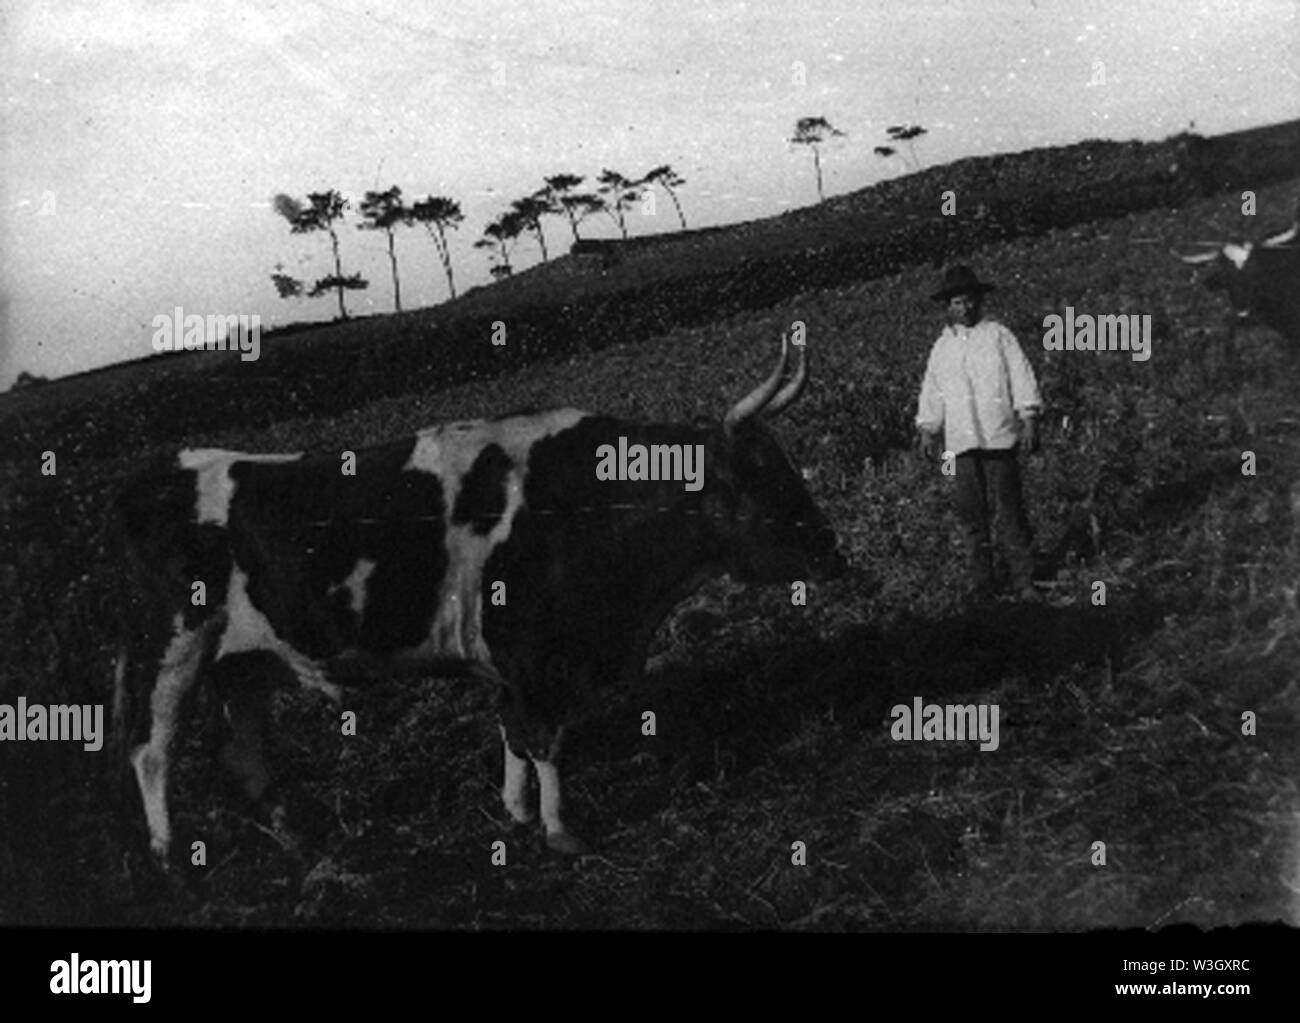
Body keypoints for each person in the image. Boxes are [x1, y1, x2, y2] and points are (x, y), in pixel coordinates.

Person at [915, 265, 1043, 604]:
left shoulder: (999, 336)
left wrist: (1028, 417)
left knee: (1010, 512)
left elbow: (1021, 376)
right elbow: (933, 391)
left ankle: (1023, 581)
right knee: (972, 516)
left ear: (980, 301)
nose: (965, 308)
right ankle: (983, 586)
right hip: (960, 445)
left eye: (970, 301)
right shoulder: (942, 348)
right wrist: (929, 429)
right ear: (948, 306)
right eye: (957, 302)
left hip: (999, 437)